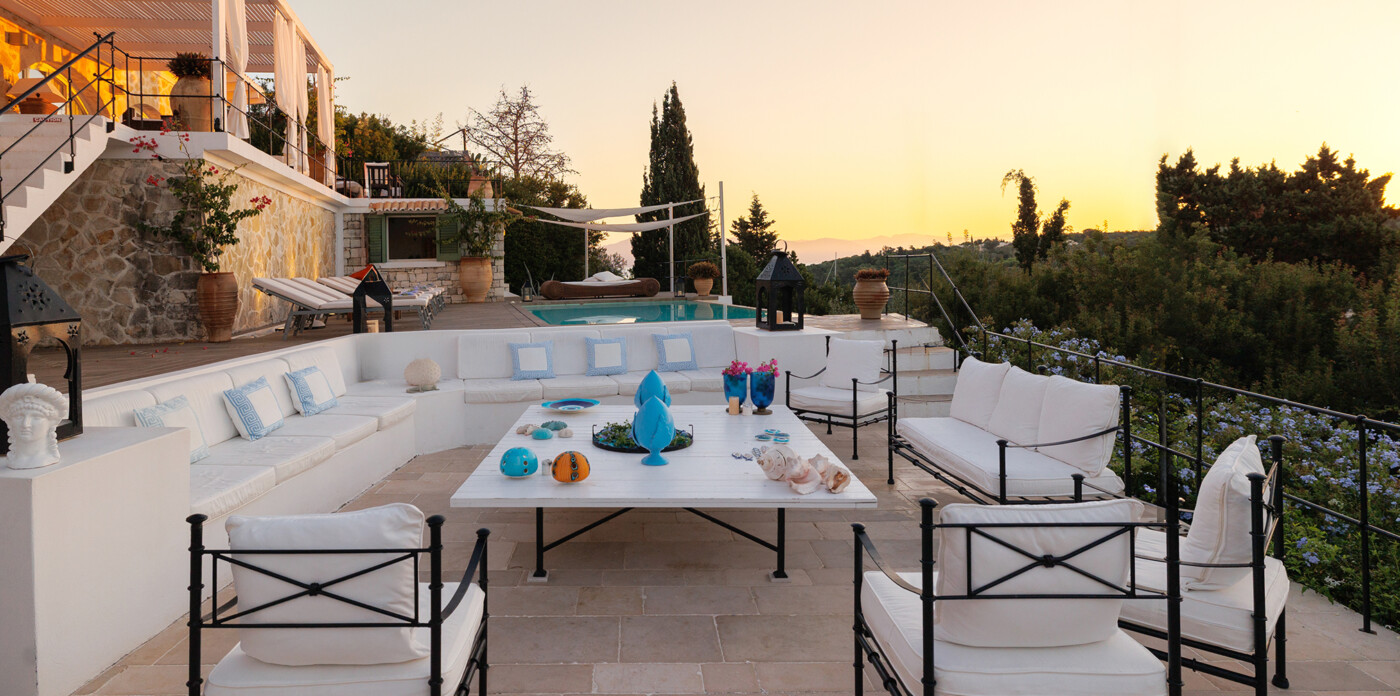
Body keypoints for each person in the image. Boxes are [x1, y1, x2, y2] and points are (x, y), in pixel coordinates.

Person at [0, 382, 67, 469]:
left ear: (52, 421)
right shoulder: (13, 461)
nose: (25, 424)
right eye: (19, 417)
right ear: (9, 421)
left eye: (36, 417)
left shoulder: (46, 459)